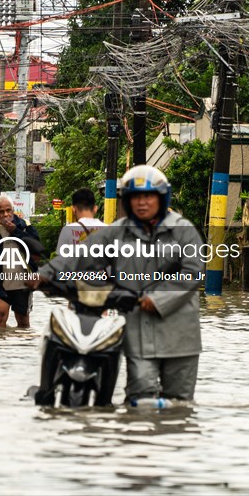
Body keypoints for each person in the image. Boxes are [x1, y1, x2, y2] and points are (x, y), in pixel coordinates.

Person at [37, 165, 204, 404]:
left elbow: (192, 273)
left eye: (148, 196)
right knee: (139, 402)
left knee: (179, 405)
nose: (142, 203)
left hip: (180, 336)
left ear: (161, 198)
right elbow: (80, 256)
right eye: (136, 197)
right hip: (137, 333)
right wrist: (44, 275)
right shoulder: (116, 233)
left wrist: (156, 300)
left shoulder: (183, 231)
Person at [0, 194, 41, 328]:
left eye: (8, 210)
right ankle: (0, 348)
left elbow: (37, 248)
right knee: (0, 317)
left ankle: (20, 348)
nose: (5, 214)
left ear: (13, 210)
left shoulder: (25, 226)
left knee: (23, 320)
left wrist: (15, 230)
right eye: (1, 211)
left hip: (22, 282)